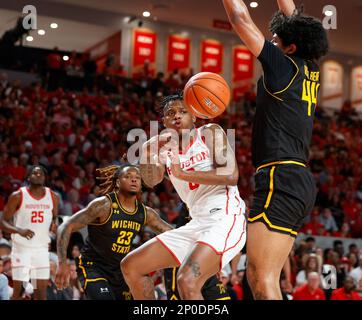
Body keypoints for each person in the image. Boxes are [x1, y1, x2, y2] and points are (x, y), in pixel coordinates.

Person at [223, 0, 328, 299]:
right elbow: (294, 18)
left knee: (263, 277)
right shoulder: (310, 67)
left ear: (290, 48)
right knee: (257, 277)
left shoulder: (283, 67)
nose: (271, 41)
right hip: (294, 178)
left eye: (276, 39)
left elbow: (240, 18)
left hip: (279, 177)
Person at [121, 92, 246, 300]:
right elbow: (152, 180)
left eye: (183, 111)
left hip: (225, 218)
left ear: (194, 117)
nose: (177, 116)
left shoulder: (210, 132)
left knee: (186, 280)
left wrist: (182, 173)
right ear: (164, 122)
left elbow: (231, 175)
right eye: (170, 113)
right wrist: (146, 151)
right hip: (196, 224)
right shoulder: (163, 147)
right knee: (131, 266)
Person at [55, 164, 173, 300]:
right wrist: (62, 262)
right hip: (94, 266)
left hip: (122, 269)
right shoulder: (104, 206)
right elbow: (65, 227)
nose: (134, 180)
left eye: (137, 178)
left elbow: (171, 233)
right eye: (128, 177)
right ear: (117, 182)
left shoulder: (145, 213)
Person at [0, 165, 59, 300]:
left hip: (42, 250)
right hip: (22, 249)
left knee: (41, 294)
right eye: (34, 173)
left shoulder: (53, 197)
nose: (38, 175)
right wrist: (18, 230)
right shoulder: (18, 196)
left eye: (41, 174)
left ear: (45, 178)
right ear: (28, 177)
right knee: (19, 292)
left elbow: (55, 218)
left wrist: (55, 224)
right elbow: (3, 222)